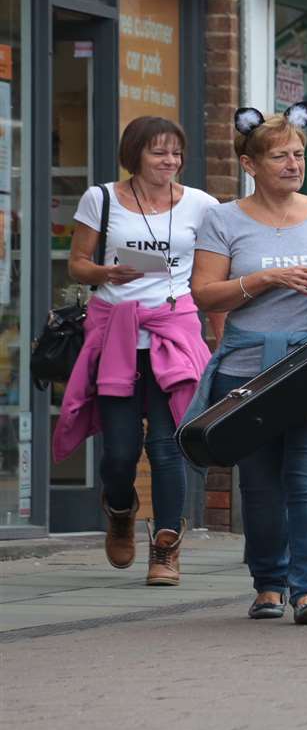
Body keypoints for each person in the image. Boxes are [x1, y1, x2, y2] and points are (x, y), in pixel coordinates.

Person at [188, 106, 307, 623]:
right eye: (279, 156)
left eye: (298, 154)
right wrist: (270, 279)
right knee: (262, 485)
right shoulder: (222, 219)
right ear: (250, 163)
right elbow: (205, 295)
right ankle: (269, 582)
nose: (293, 164)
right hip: (249, 368)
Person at [56, 116, 217, 584]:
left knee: (168, 447)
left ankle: (166, 546)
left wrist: (221, 336)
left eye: (176, 153)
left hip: (175, 333)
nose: (169, 161)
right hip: (119, 336)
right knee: (120, 452)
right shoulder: (100, 199)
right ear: (134, 155)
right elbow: (77, 266)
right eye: (158, 152)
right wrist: (107, 274)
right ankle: (121, 510)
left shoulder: (202, 205)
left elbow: (212, 273)